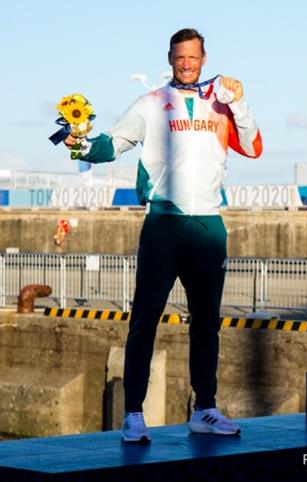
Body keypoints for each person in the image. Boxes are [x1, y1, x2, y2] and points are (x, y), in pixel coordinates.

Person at [64, 28, 262, 442]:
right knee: (145, 320)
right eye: (179, 58)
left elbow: (254, 146)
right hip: (163, 224)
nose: (186, 64)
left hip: (208, 224)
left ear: (204, 58)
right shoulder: (152, 103)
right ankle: (134, 414)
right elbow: (112, 144)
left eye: (193, 57)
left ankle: (204, 408)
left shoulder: (221, 103)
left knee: (206, 323)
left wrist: (240, 103)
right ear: (170, 58)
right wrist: (79, 142)